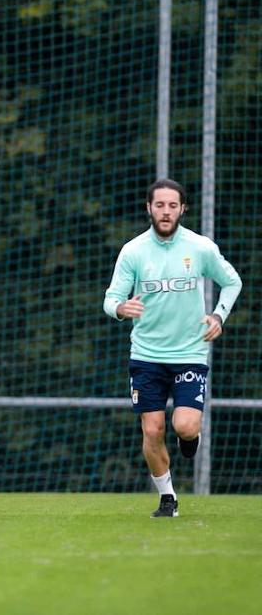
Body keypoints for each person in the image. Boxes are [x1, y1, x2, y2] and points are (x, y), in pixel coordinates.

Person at [103, 178, 241, 518]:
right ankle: (168, 498)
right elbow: (111, 298)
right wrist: (120, 309)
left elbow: (232, 281)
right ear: (149, 208)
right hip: (146, 356)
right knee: (152, 430)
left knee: (185, 426)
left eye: (172, 205)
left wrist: (219, 316)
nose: (166, 212)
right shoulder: (134, 251)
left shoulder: (199, 247)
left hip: (190, 353)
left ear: (183, 209)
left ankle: (188, 439)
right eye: (160, 205)